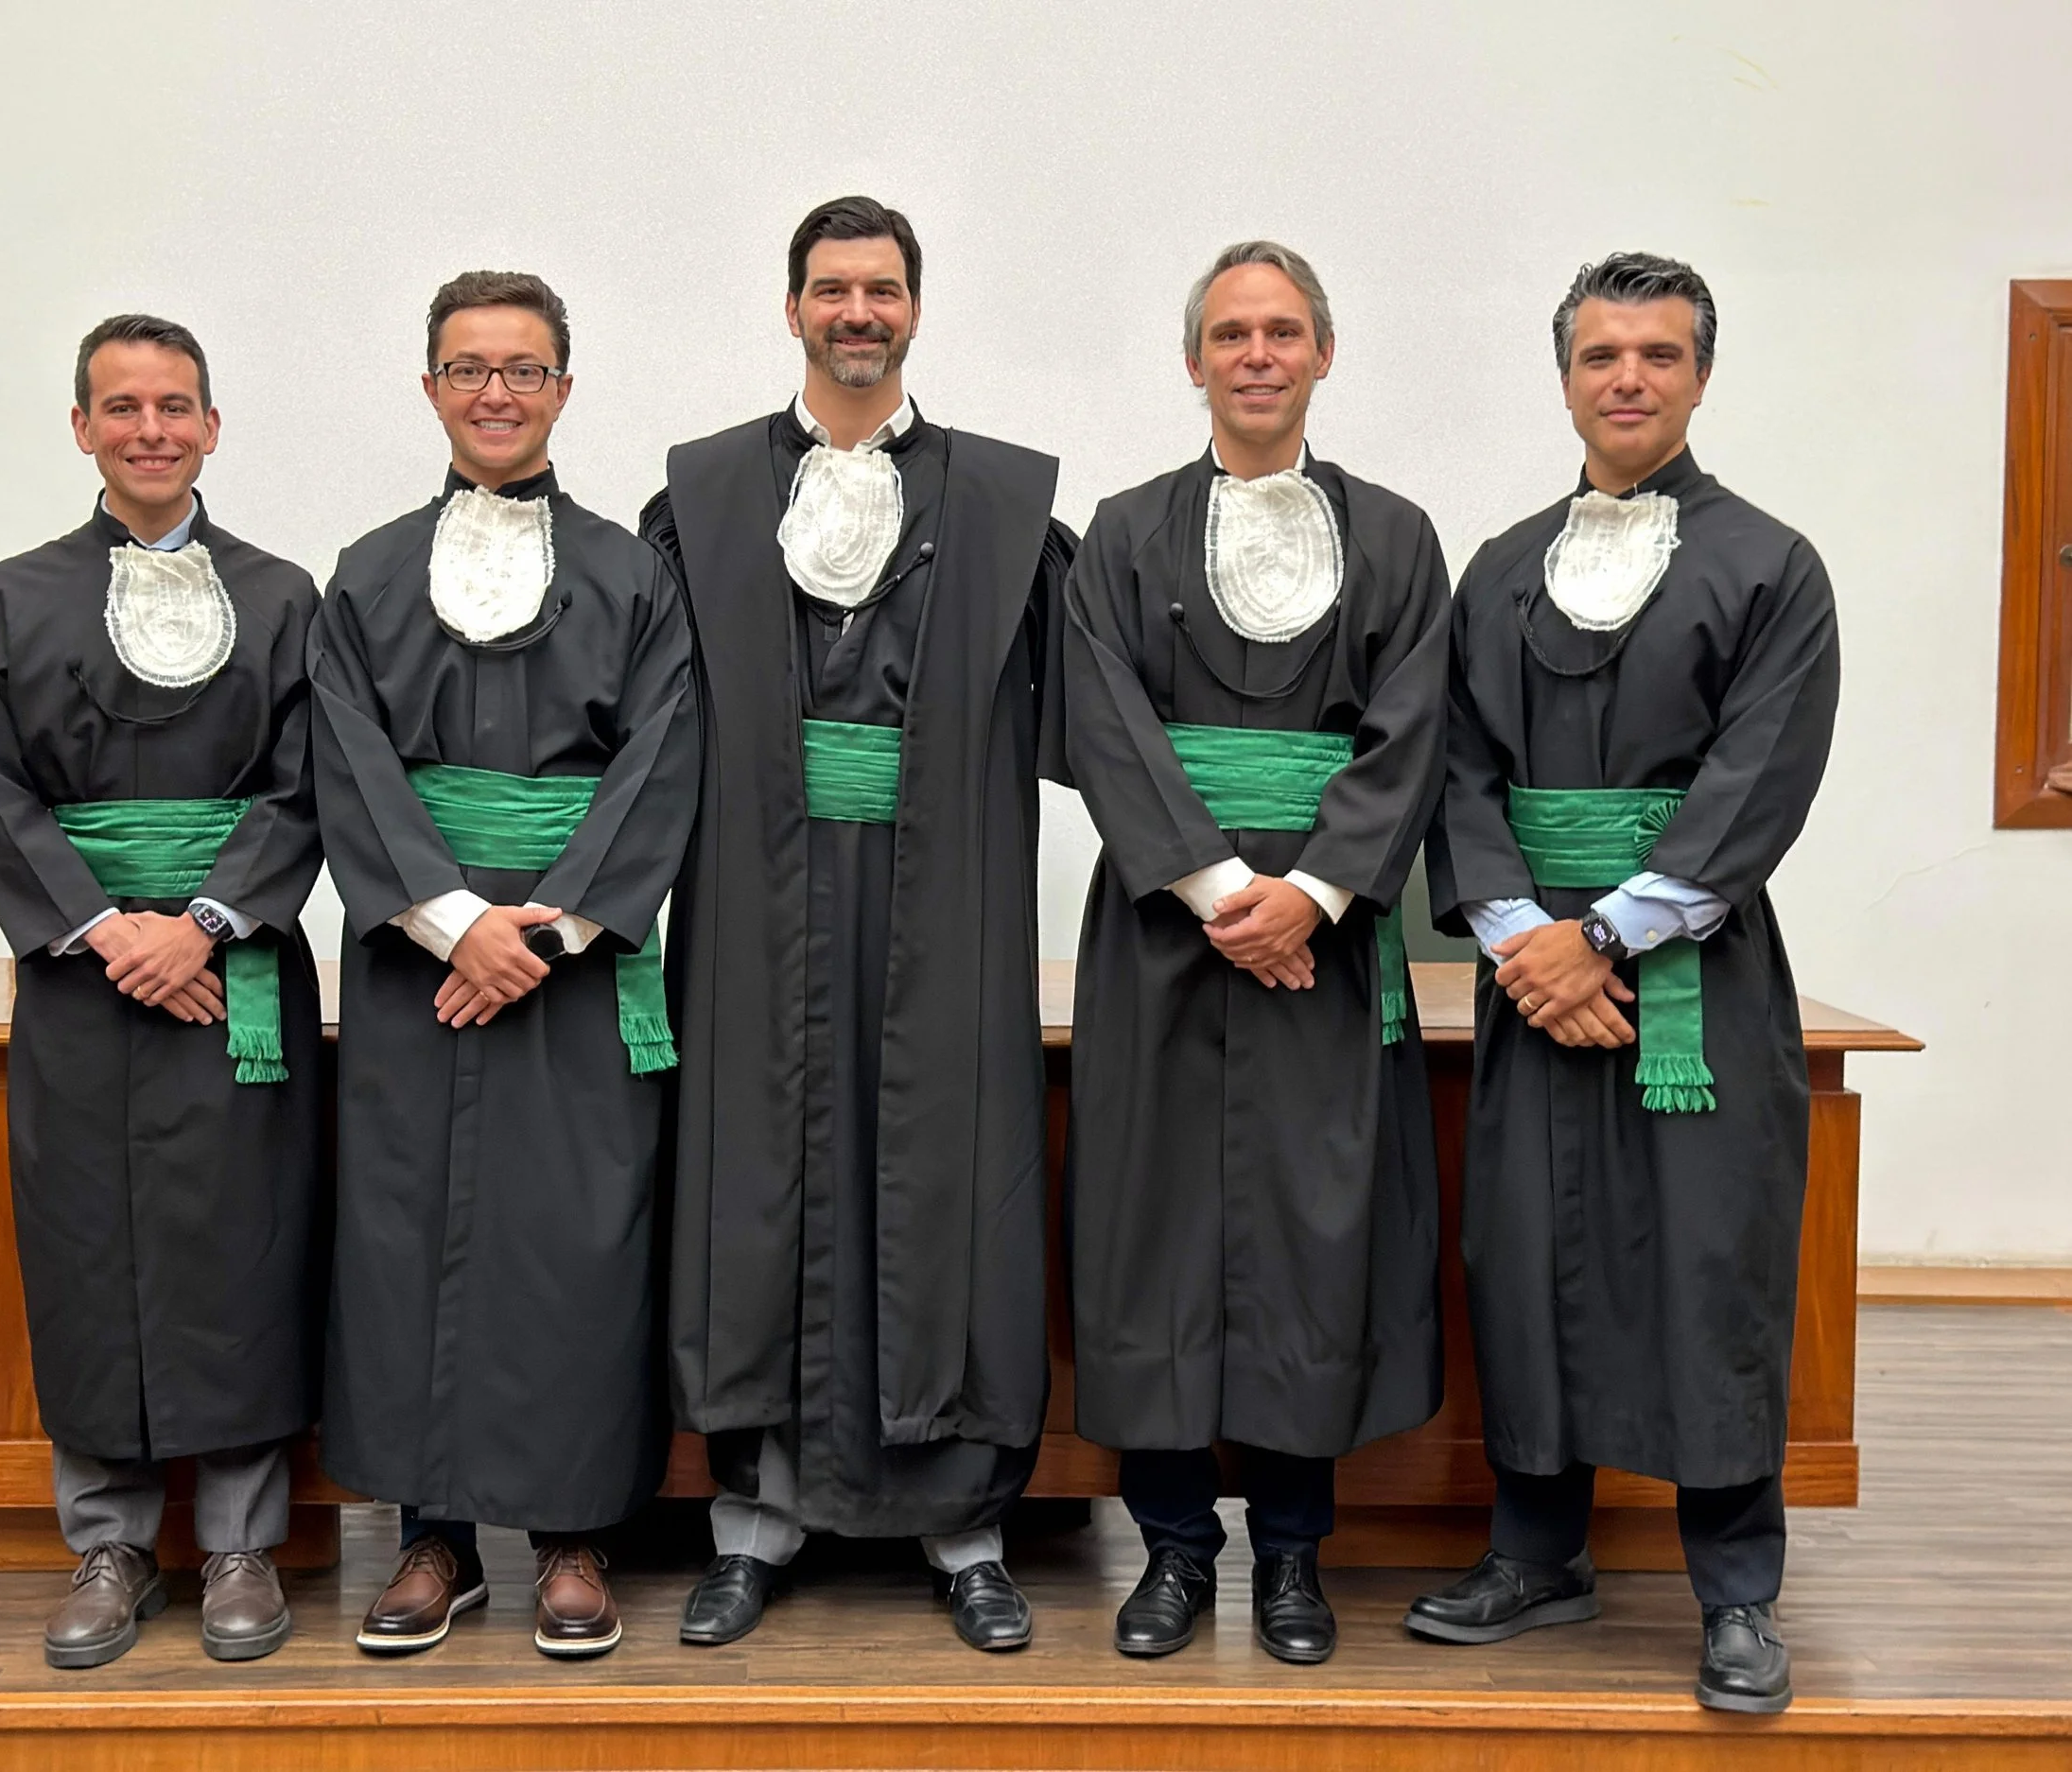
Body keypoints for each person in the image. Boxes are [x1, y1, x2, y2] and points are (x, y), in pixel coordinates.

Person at [1409, 252, 1840, 1715]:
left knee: (1711, 1264)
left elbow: (1758, 777)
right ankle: (1536, 1552)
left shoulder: (1773, 566)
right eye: (1603, 355)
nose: (1630, 378)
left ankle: (1737, 1591)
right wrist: (1525, 938)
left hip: (1694, 983)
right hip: (1534, 973)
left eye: (1660, 353)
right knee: (1526, 1254)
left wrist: (1600, 939)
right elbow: (1458, 767)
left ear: (1701, 375)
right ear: (1567, 378)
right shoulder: (1499, 567)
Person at [643, 196, 1074, 1652]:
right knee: (756, 1182)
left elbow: (1105, 710)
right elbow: (634, 723)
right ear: (793, 309)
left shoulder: (1005, 507)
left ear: (915, 309)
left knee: (946, 1180)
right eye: (831, 288)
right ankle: (752, 1524)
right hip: (752, 900)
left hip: (945, 899)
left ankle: (968, 1532)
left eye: (881, 288)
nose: (857, 312)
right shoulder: (702, 499)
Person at [1061, 242, 1448, 1663]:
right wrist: (1230, 891)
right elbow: (1102, 722)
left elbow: (1415, 729)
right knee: (1150, 1233)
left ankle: (1292, 1554)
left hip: (1328, 946)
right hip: (1164, 930)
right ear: (1194, 361)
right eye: (1231, 333)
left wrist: (1317, 894)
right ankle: (1171, 1549)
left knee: (1311, 1236)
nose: (1258, 355)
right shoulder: (1121, 535)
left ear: (1324, 354)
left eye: (1284, 331)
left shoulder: (1399, 537)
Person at [311, 271, 699, 1659]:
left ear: (563, 390)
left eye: (524, 369)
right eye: (469, 368)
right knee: (409, 1236)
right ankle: (435, 1537)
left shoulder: (635, 576)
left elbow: (664, 754)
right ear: (430, 388)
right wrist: (448, 918)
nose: (496, 392)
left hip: (575, 968)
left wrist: (542, 930)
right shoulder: (363, 574)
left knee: (578, 1241)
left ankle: (576, 1534)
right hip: (419, 966)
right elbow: (346, 759)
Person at [0, 314, 322, 1669]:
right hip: (81, 976)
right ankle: (108, 1543)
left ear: (213, 427)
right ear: (82, 427)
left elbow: (309, 784)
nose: (150, 429)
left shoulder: (285, 597)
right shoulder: (7, 599)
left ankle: (241, 1541)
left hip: (236, 970)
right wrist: (115, 934)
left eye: (175, 406)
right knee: (86, 1245)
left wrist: (204, 925)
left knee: (242, 1243)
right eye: (123, 406)